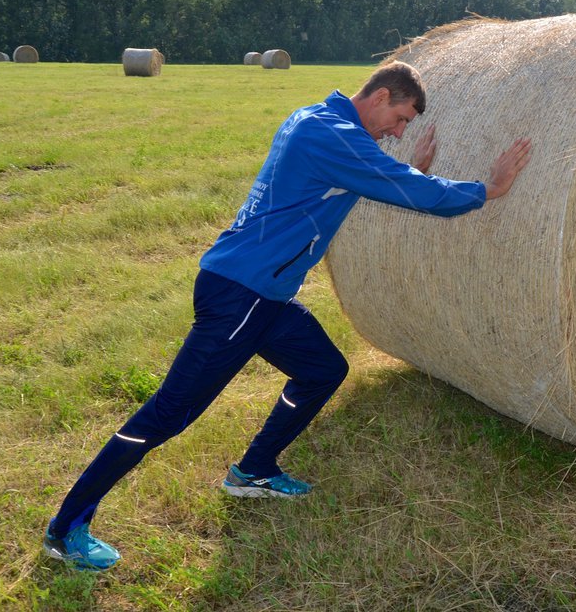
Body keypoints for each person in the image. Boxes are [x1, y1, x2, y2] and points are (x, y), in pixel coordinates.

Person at [42, 61, 533, 570]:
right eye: (401, 118)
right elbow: (409, 190)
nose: (399, 131)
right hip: (242, 296)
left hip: (262, 293)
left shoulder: (315, 119)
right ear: (382, 96)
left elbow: (360, 186)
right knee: (168, 413)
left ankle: (254, 469)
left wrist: (414, 175)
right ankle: (66, 528)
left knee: (323, 369)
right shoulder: (335, 135)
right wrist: (489, 189)